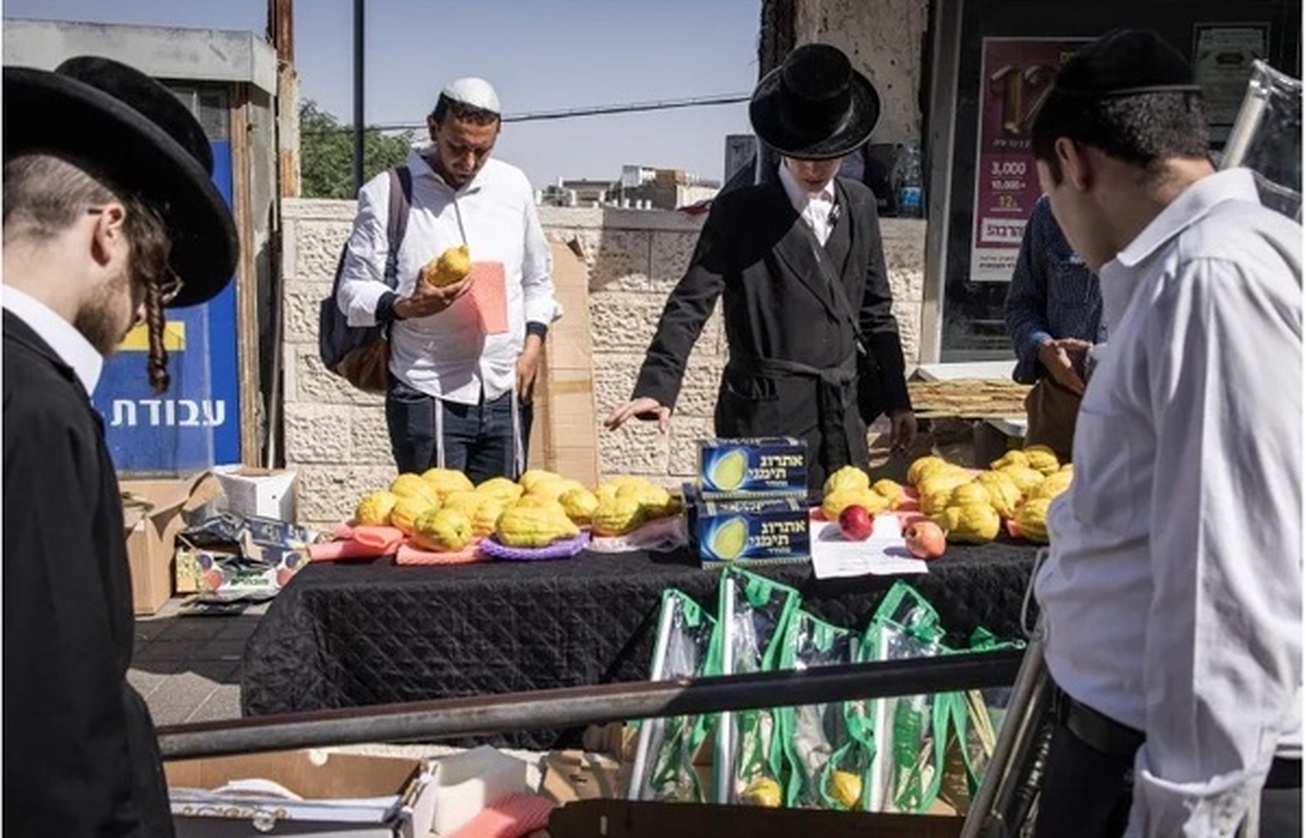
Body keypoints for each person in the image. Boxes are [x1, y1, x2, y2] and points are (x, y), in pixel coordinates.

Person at [1027, 29, 1301, 837]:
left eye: (1048, 188)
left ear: (1075, 163)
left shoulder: (1213, 280)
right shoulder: (1184, 271)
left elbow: (1234, 592)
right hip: (1135, 752)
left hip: (1178, 774)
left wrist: (1185, 818)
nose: (1056, 214)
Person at [3, 57, 239, 836]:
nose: (144, 308)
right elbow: (53, 731)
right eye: (155, 277)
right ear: (109, 231)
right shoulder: (32, 408)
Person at [605, 43, 916, 493]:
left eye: (826, 154)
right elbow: (690, 304)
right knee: (762, 553)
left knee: (844, 536)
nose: (813, 166)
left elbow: (876, 312)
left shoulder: (860, 205)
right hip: (764, 418)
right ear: (781, 145)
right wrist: (658, 385)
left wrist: (897, 400)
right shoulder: (739, 210)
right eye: (803, 153)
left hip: (842, 421)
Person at [337, 77, 558, 484]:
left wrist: (532, 347)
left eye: (482, 150)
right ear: (433, 127)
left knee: (500, 525)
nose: (470, 162)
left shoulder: (513, 187)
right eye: (458, 147)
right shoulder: (389, 192)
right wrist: (404, 305)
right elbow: (352, 292)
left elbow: (538, 282)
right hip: (426, 389)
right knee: (438, 530)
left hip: (503, 386)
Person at [1003, 195, 1105, 461]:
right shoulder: (1053, 210)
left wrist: (1107, 358)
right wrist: (1042, 347)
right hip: (1061, 411)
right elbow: (1021, 306)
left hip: (1143, 415)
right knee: (1036, 500)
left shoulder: (1172, 213)